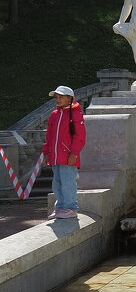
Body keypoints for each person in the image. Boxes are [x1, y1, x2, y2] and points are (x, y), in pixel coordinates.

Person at [42, 86, 86, 220]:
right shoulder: (54, 115)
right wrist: (47, 152)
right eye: (56, 97)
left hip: (68, 156)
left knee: (68, 181)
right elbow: (49, 136)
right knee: (57, 182)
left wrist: (74, 152)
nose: (58, 99)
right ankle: (60, 207)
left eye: (61, 97)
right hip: (55, 155)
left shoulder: (76, 114)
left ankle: (71, 208)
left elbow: (80, 136)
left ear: (70, 99)